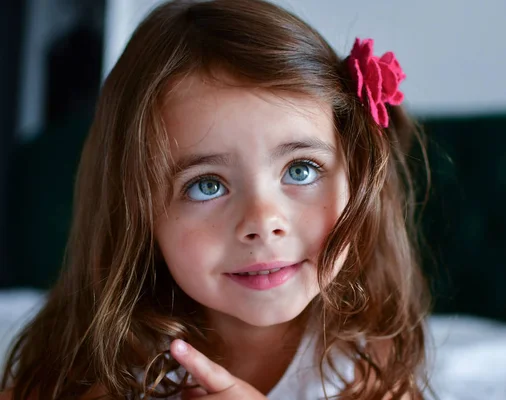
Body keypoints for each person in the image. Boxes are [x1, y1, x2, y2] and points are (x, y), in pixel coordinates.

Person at [1, 0, 432, 398]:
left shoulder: (363, 366)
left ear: (355, 175)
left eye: (301, 170)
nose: (263, 221)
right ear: (136, 209)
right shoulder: (100, 363)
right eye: (206, 184)